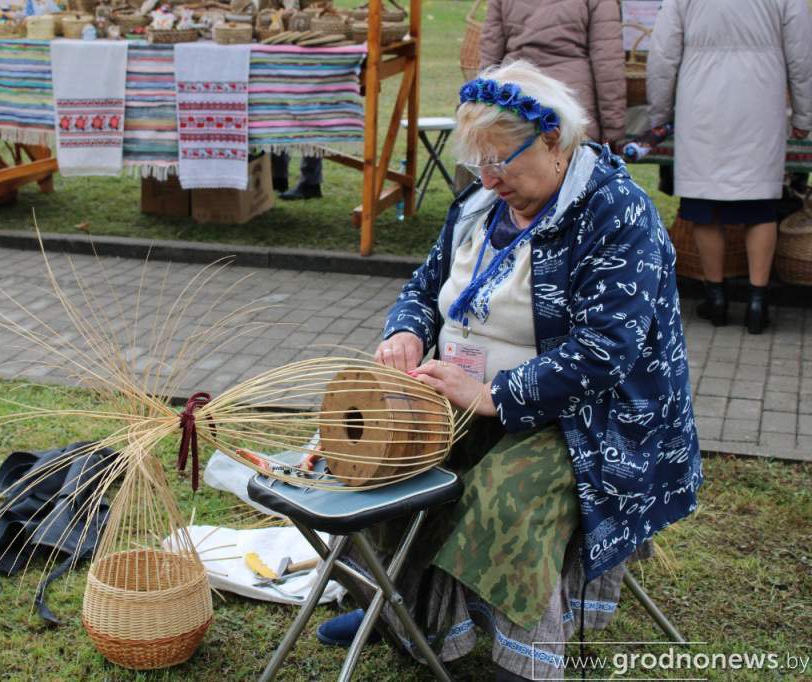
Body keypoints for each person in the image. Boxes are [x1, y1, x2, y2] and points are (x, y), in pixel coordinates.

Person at [314, 61, 702, 681]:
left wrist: (493, 393)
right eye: (480, 164)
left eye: (502, 162)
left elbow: (607, 353)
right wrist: (407, 330)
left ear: (554, 140)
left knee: (506, 495)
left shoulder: (615, 213)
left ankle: (518, 656)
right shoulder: (481, 203)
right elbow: (427, 282)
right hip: (468, 391)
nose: (489, 180)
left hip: (591, 419)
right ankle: (396, 608)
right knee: (383, 455)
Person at [647, 0, 812, 334]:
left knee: (705, 203)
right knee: (761, 203)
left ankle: (717, 298)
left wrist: (659, 114)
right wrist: (805, 114)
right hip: (761, 99)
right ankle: (757, 302)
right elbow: (802, 54)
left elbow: (662, 55)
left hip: (701, 102)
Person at [480, 0, 626, 145]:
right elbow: (608, 62)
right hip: (572, 107)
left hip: (515, 99)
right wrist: (613, 129)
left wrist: (479, 107)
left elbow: (490, 53)